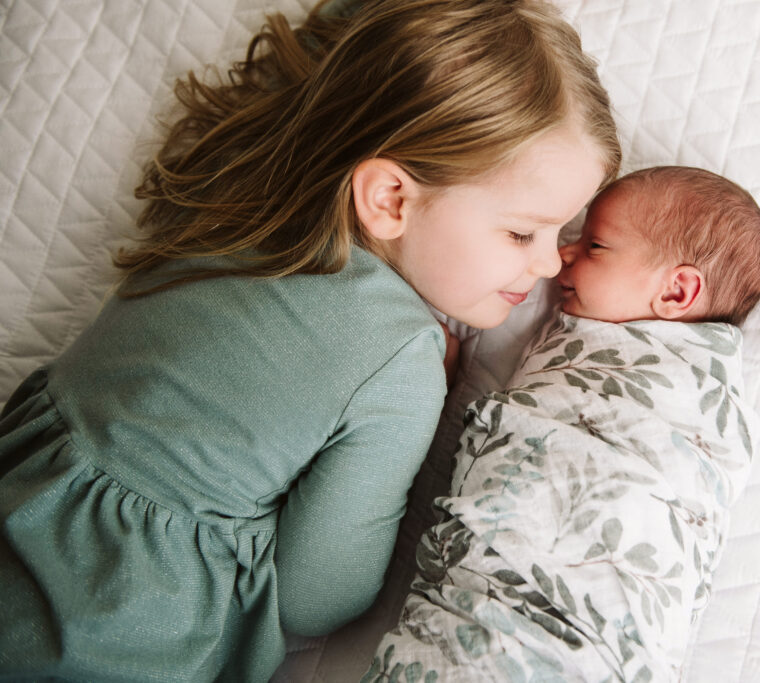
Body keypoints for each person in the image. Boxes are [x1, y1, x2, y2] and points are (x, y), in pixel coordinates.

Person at [0, 0, 621, 680]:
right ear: (389, 198)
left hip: (26, 497)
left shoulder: (231, 202)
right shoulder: (399, 355)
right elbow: (318, 594)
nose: (551, 264)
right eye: (521, 233)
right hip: (115, 620)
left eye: (563, 234)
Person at [364, 166, 760, 682]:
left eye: (596, 245)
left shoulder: (695, 395)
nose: (563, 255)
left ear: (676, 293)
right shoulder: (581, 337)